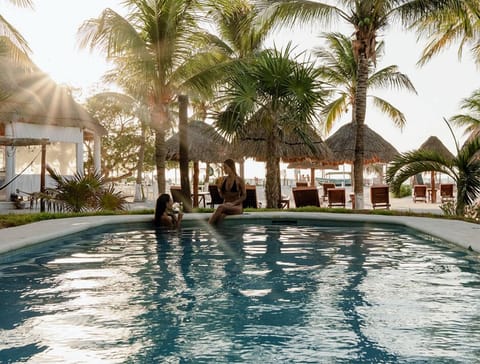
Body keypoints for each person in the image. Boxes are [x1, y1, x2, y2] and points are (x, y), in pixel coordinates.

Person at [208, 159, 246, 225]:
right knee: (221, 216)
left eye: (225, 167)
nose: (224, 169)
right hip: (226, 206)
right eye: (223, 168)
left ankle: (208, 228)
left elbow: (244, 196)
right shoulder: (223, 180)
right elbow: (222, 196)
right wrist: (219, 189)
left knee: (220, 207)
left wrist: (233, 203)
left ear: (231, 167)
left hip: (236, 206)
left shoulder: (239, 180)